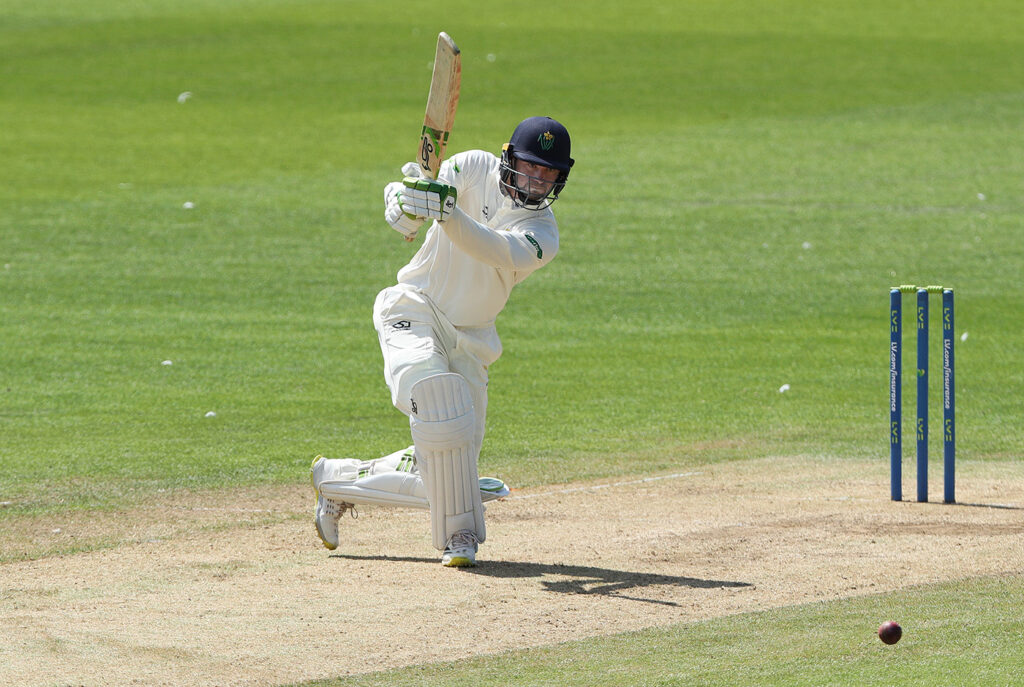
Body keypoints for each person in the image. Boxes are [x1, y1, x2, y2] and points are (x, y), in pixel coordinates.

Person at [310, 116, 574, 567]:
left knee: (447, 469)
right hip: (415, 307)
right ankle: (459, 535)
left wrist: (444, 211)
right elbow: (417, 207)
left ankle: (335, 479)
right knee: (438, 405)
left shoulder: (543, 235)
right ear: (509, 156)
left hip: (471, 340)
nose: (537, 180)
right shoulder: (474, 167)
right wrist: (405, 202)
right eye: (530, 167)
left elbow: (491, 247)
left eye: (548, 173)